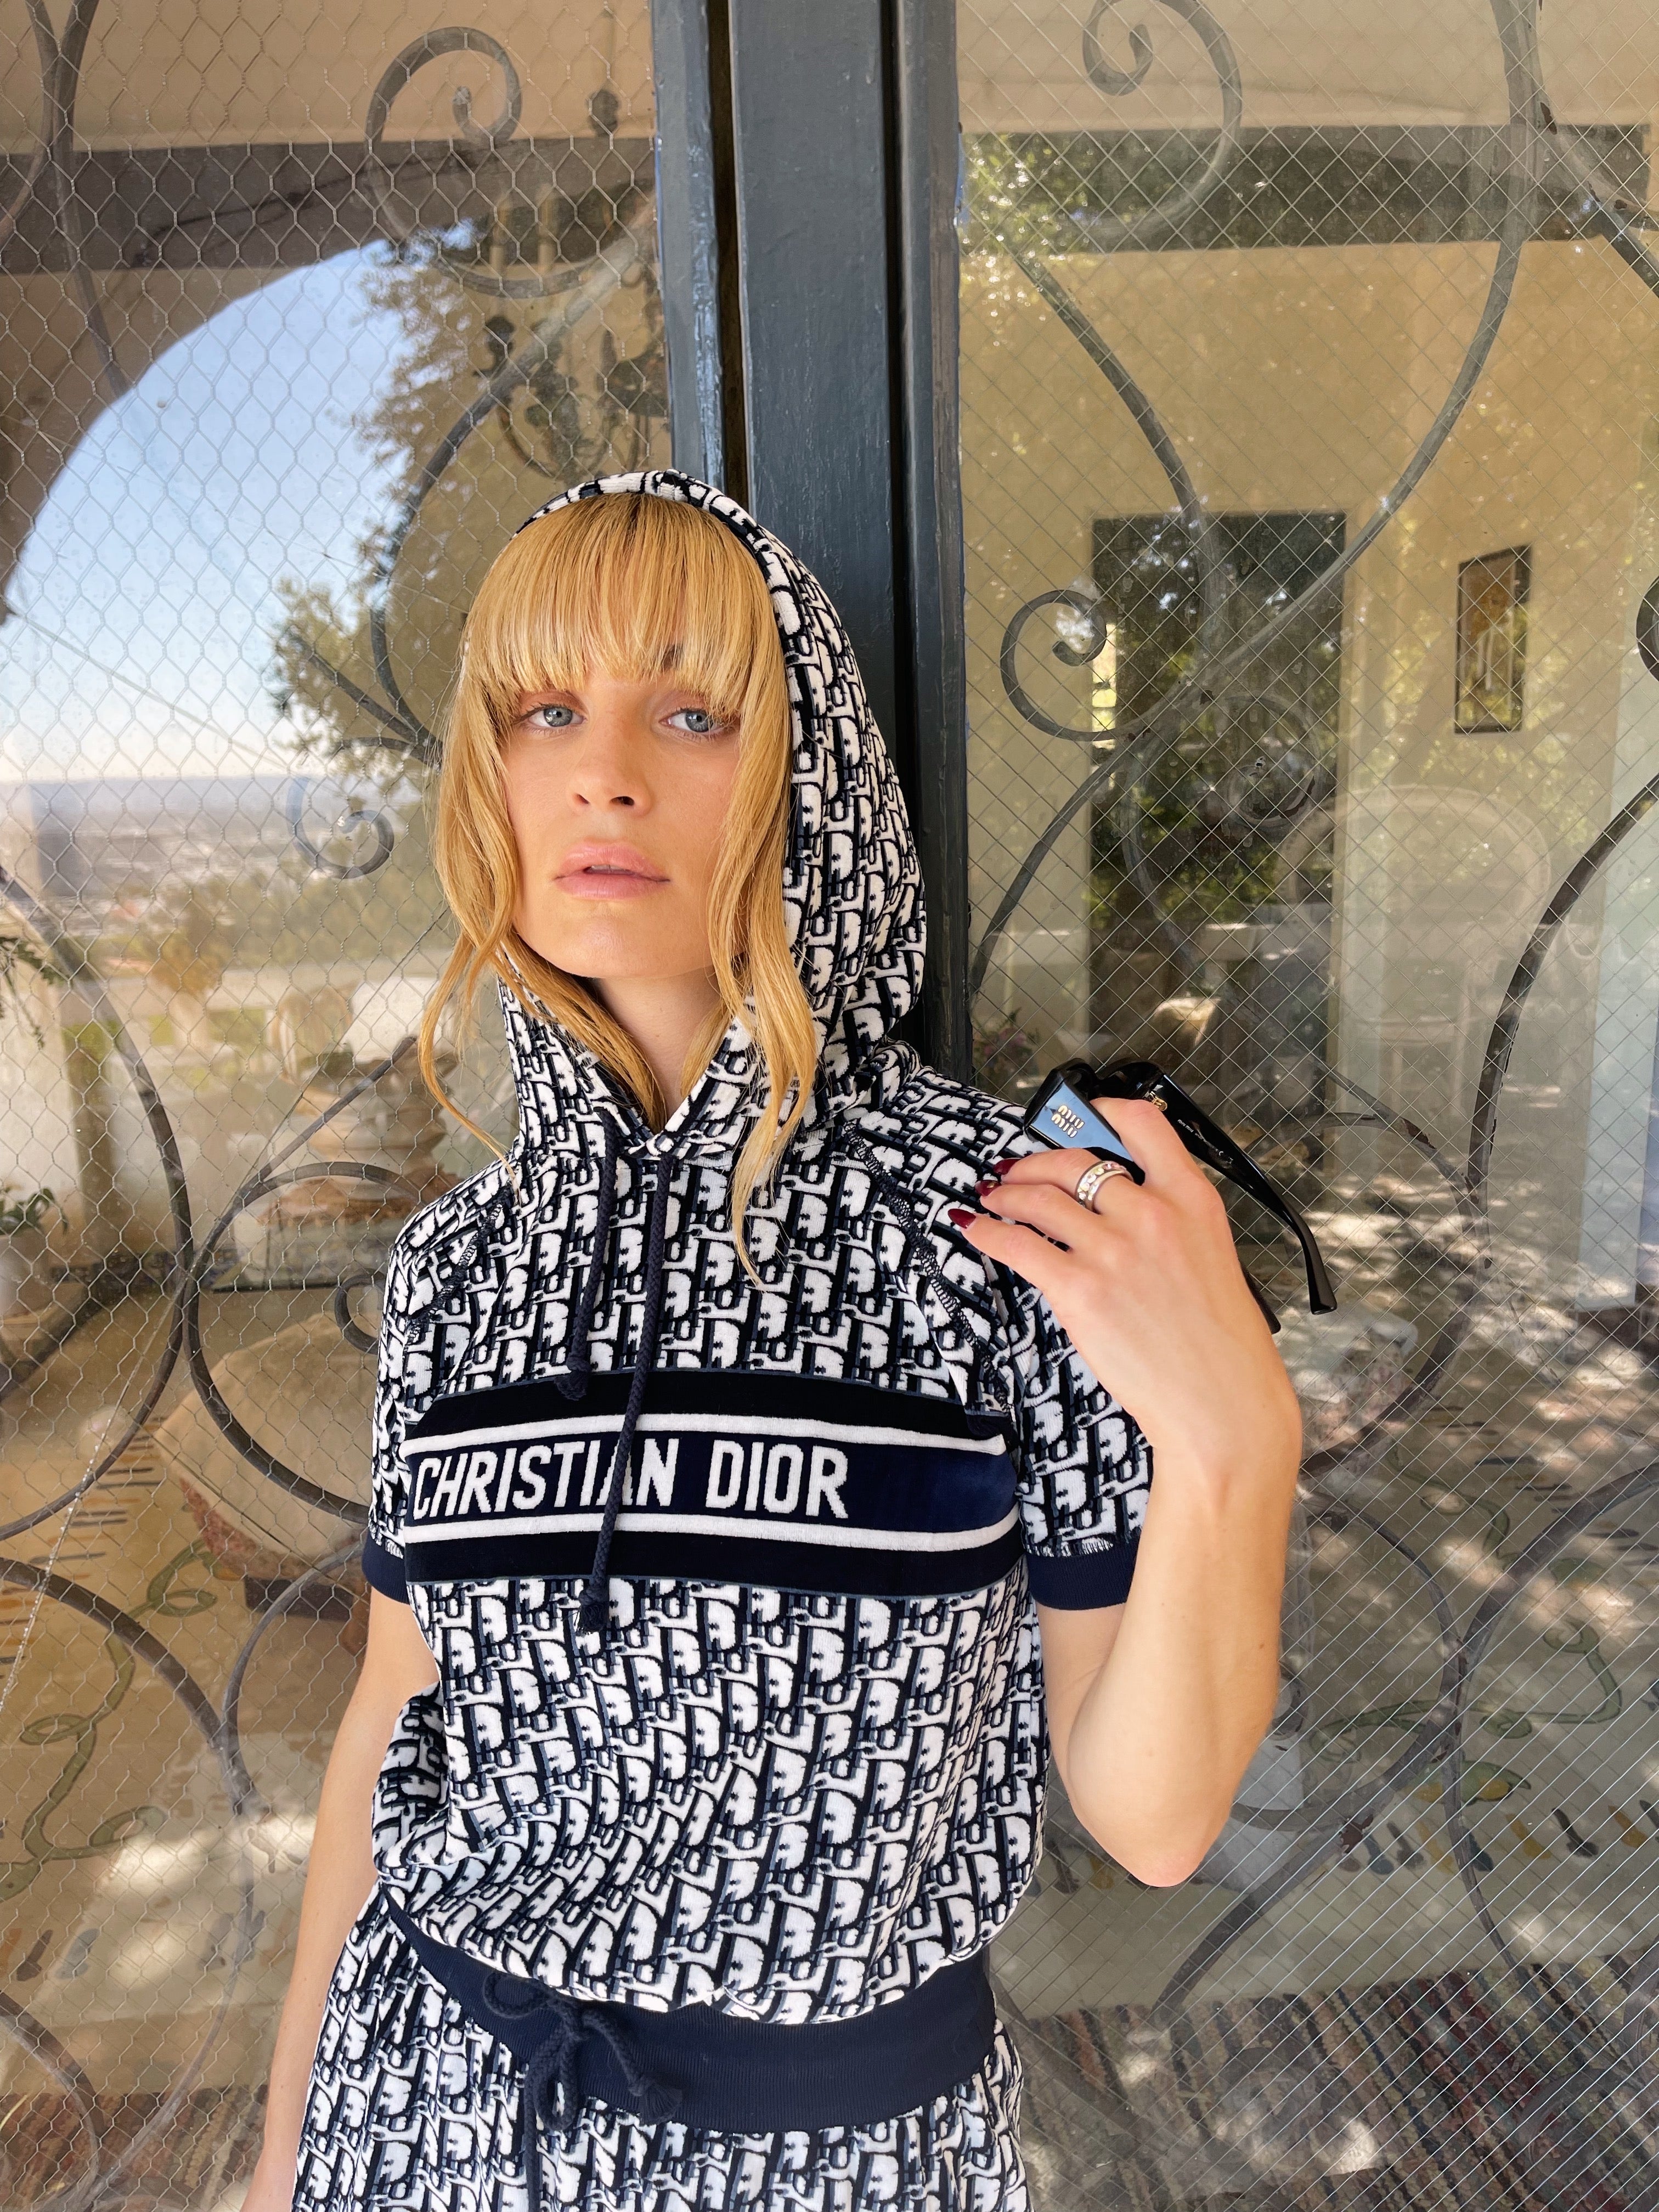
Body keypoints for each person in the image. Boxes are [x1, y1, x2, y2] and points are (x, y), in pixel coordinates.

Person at [244, 471, 1301, 2212]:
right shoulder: (463, 1267)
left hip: (841, 2155)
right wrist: (291, 2148)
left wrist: (1235, 1443)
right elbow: (395, 1706)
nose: (602, 772)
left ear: (812, 774)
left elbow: (1157, 1819)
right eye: (544, 711)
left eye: (692, 712)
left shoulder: (1011, 1225)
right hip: (425, 2109)